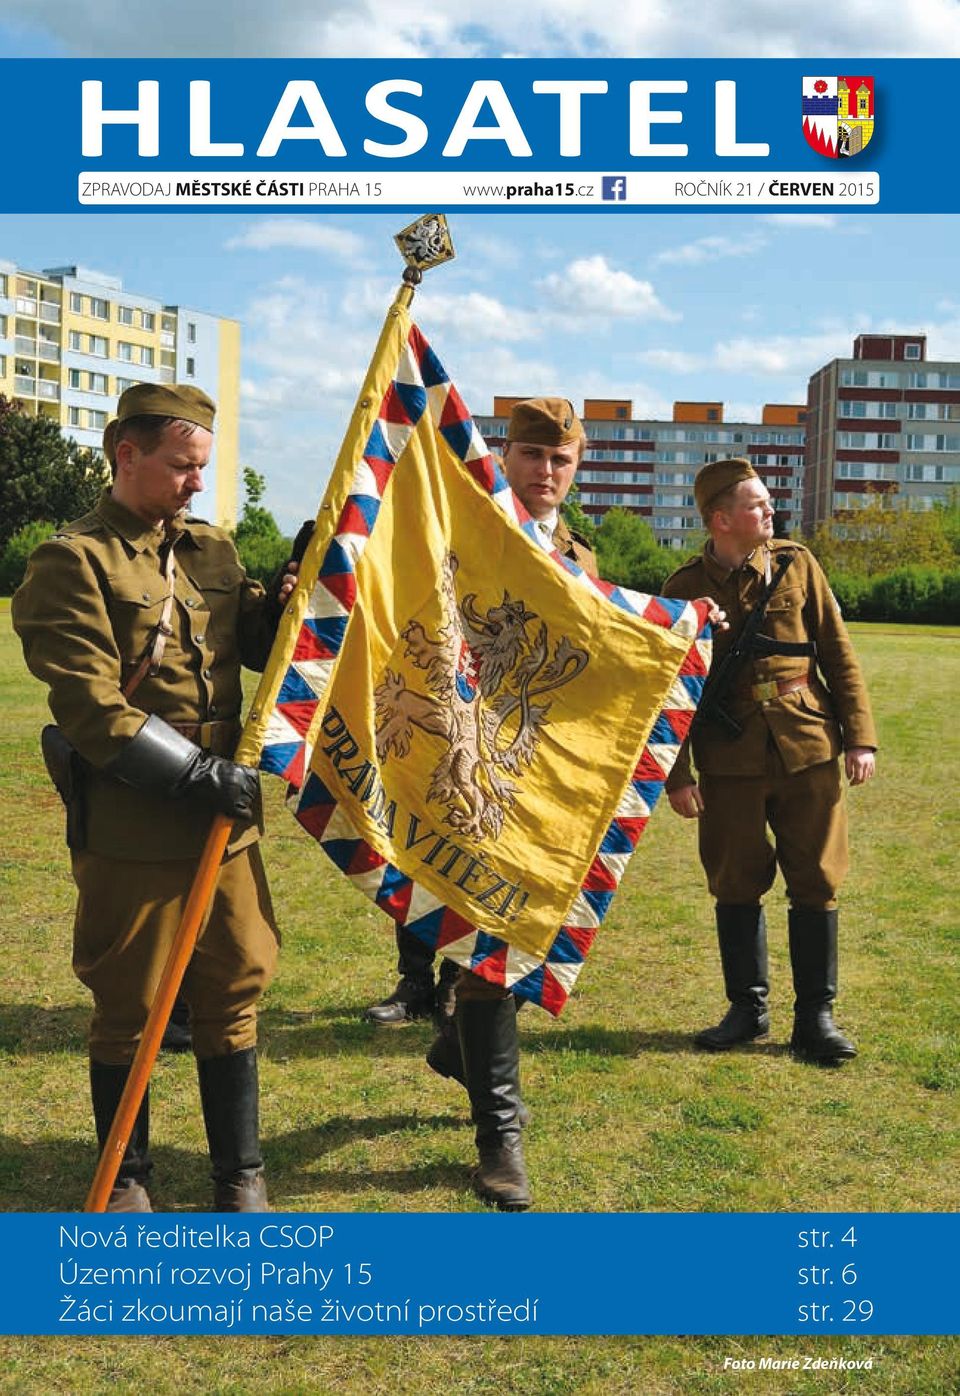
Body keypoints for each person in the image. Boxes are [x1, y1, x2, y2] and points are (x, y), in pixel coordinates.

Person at [13, 383, 296, 1213]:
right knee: (130, 1004)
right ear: (125, 454)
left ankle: (238, 1175)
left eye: (202, 467)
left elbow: (253, 647)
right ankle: (129, 1176)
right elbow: (93, 708)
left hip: (224, 826)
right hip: (139, 824)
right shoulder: (73, 560)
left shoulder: (211, 549)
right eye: (180, 466)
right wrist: (204, 778)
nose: (194, 484)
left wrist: (289, 600)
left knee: (235, 986)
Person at [661, 458, 877, 1064]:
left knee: (816, 878)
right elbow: (669, 689)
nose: (771, 512)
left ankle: (816, 1017)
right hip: (728, 758)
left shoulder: (796, 564)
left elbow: (837, 651)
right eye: (757, 505)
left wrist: (860, 737)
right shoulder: (682, 589)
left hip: (807, 744)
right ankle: (747, 1009)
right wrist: (677, 777)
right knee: (735, 880)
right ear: (721, 519)